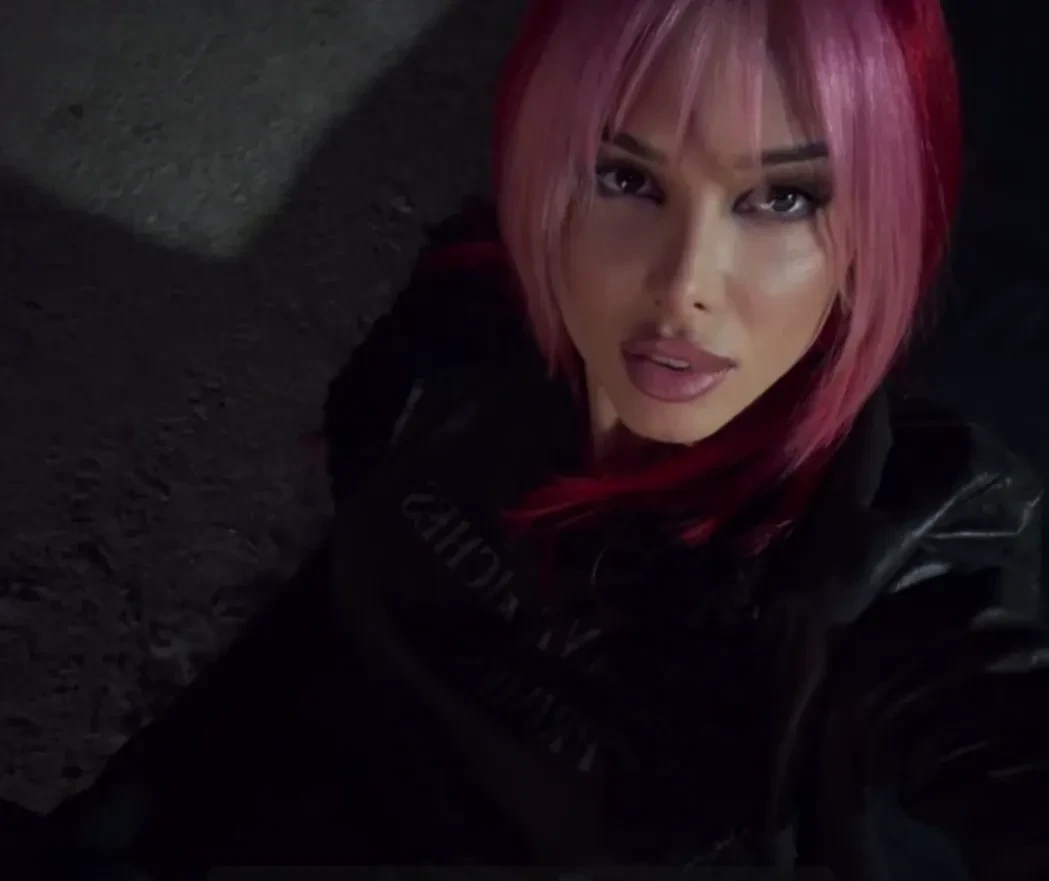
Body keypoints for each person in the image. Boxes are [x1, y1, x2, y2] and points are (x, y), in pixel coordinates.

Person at [29, 0, 1049, 878]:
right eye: (624, 177)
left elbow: (986, 711)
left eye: (780, 198)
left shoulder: (898, 543)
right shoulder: (464, 333)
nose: (683, 285)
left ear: (876, 227)